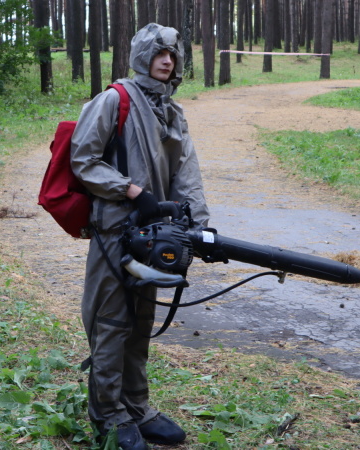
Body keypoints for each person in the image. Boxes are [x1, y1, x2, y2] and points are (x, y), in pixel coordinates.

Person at [70, 23, 209, 450]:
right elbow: (84, 158)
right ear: (142, 56)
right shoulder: (115, 100)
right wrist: (132, 191)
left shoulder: (172, 110)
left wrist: (197, 225)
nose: (168, 60)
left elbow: (186, 171)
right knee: (111, 321)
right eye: (159, 53)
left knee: (141, 319)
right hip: (116, 230)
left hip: (156, 234)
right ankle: (108, 413)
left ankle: (136, 405)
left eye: (173, 54)